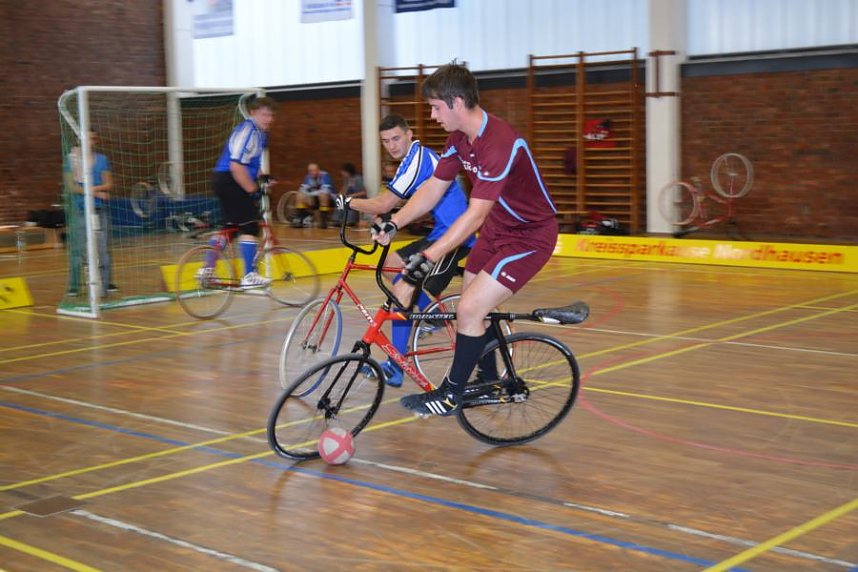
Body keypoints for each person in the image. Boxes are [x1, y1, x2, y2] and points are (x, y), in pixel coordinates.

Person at [372, 64, 559, 416]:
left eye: (435, 107)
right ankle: (489, 382)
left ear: (457, 102)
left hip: (529, 237)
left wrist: (429, 255)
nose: (432, 115)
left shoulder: (499, 143)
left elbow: (474, 214)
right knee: (471, 311)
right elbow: (433, 189)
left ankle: (451, 393)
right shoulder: (458, 139)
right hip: (497, 231)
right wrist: (394, 222)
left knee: (471, 309)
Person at [339, 113, 474, 387]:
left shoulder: (418, 158)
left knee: (403, 291)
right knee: (391, 265)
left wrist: (348, 202)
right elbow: (397, 205)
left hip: (456, 237)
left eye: (396, 138)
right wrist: (385, 221)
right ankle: (432, 318)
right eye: (385, 141)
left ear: (409, 134)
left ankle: (396, 365)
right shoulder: (411, 162)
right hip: (439, 233)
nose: (391, 145)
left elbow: (384, 203)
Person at [211, 96, 277, 287]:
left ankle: (207, 269)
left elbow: (252, 163)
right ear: (253, 113)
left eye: (271, 115)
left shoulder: (261, 134)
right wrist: (253, 190)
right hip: (231, 180)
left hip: (229, 180)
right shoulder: (248, 131)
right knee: (249, 226)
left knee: (229, 227)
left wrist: (263, 177)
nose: (269, 119)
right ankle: (249, 275)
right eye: (265, 114)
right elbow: (236, 166)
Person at [64, 130, 118, 297]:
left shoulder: (102, 160)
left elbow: (108, 184)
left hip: (99, 211)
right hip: (81, 211)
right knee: (78, 249)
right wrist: (96, 192)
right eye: (87, 138)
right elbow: (72, 187)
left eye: (94, 138)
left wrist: (92, 190)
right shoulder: (72, 159)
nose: (91, 141)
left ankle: (106, 283)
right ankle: (74, 285)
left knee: (103, 249)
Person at [292, 163, 336, 228]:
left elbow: (325, 190)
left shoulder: (324, 175)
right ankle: (301, 218)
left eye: (314, 170)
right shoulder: (308, 177)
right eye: (310, 171)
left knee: (323, 195)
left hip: (330, 200)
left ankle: (323, 221)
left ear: (318, 170)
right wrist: (308, 196)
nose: (312, 172)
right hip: (314, 199)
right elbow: (302, 189)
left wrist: (310, 194)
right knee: (299, 195)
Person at [331, 162, 366, 227]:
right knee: (340, 199)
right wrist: (340, 194)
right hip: (347, 197)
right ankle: (338, 220)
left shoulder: (357, 179)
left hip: (357, 197)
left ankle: (350, 220)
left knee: (347, 200)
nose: (342, 173)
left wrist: (351, 195)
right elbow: (344, 190)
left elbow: (363, 192)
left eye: (343, 171)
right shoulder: (346, 180)